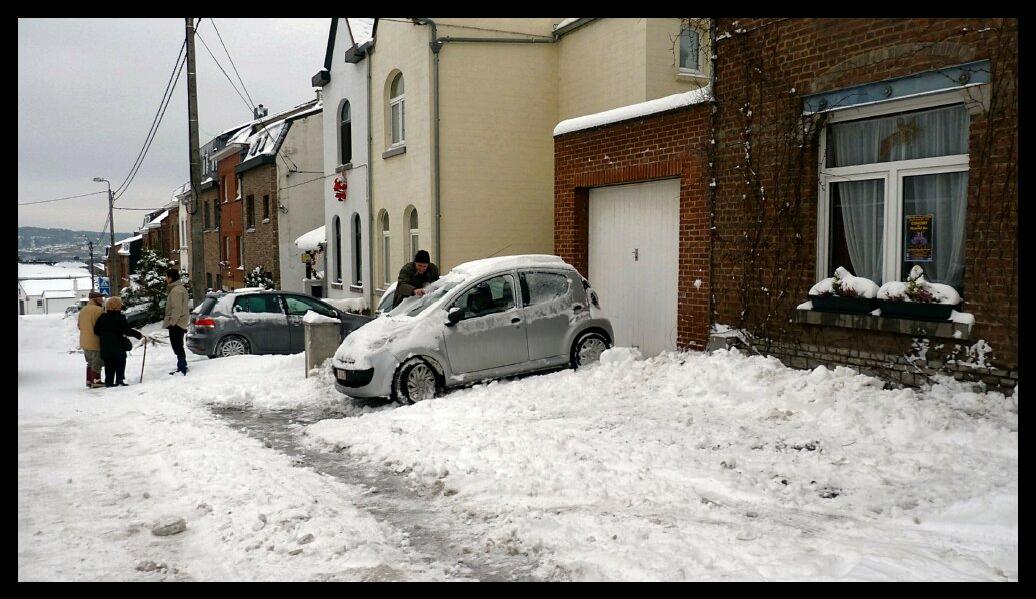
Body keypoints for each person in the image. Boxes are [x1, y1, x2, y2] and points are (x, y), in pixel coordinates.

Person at [93, 296, 143, 387]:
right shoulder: (120, 317)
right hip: (118, 345)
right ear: (118, 306)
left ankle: (109, 382)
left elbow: (96, 331)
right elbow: (127, 330)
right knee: (120, 362)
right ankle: (119, 380)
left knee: (109, 364)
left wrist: (105, 334)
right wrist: (139, 335)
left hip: (106, 346)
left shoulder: (102, 317)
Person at [163, 268, 190, 376]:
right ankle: (181, 365)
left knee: (177, 345)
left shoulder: (176, 290)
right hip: (179, 321)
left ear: (170, 278)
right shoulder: (178, 289)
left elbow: (176, 308)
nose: (165, 279)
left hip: (177, 322)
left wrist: (173, 322)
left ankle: (182, 367)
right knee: (178, 345)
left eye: (166, 277)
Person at [77, 291, 106, 388]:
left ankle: (89, 380)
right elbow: (103, 326)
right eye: (101, 298)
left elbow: (79, 326)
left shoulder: (83, 310)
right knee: (97, 362)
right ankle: (96, 380)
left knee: (89, 362)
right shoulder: (99, 310)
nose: (102, 300)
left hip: (84, 341)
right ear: (95, 299)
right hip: (95, 341)